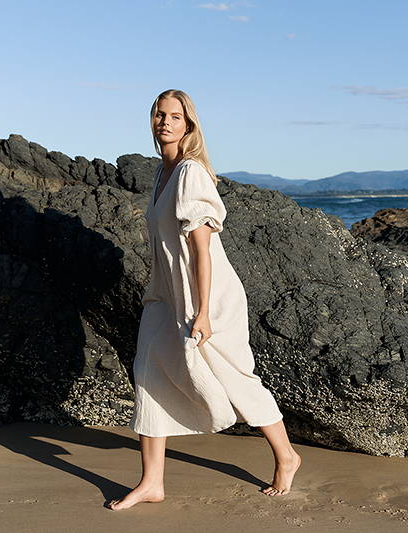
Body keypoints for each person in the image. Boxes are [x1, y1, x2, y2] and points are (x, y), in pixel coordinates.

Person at [107, 89, 301, 511]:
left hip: (206, 297)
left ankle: (287, 455)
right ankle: (151, 482)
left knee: (236, 378)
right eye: (160, 115)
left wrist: (203, 312)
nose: (166, 122)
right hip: (165, 295)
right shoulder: (162, 173)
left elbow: (201, 249)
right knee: (148, 372)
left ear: (189, 125)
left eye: (175, 116)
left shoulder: (191, 173)